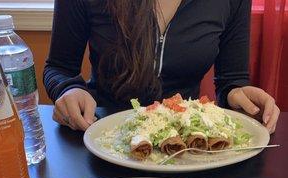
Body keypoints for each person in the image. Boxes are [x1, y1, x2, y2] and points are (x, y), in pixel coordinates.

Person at [44, 0, 280, 133]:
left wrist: (237, 93)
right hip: (102, 133)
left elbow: (231, 80)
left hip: (187, 142)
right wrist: (68, 89)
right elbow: (59, 68)